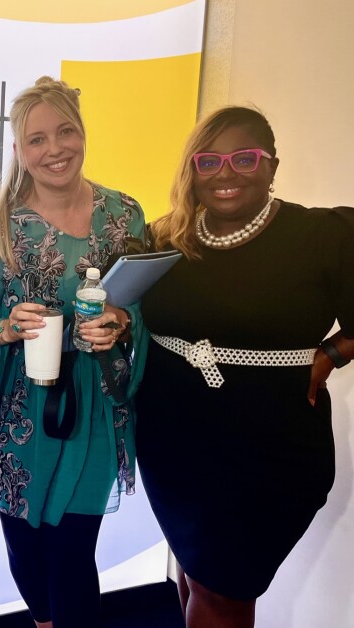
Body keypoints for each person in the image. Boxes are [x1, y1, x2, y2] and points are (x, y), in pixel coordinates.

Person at [137, 106, 354, 627]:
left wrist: (327, 357)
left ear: (272, 166)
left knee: (223, 587)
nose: (226, 172)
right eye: (209, 161)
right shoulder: (165, 237)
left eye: (244, 158)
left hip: (267, 454)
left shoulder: (321, 235)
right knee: (195, 571)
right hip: (173, 448)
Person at [0, 76, 148, 627]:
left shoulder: (124, 214)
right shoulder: (5, 227)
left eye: (65, 132)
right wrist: (6, 328)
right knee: (26, 548)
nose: (55, 148)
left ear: (83, 133)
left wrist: (119, 321)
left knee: (71, 552)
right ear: (19, 150)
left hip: (94, 406)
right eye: (37, 139)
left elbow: (139, 307)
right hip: (21, 411)